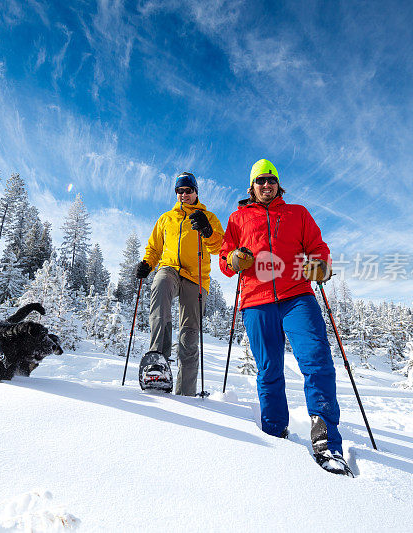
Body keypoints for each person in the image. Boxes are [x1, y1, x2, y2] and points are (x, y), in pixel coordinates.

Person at [218, 158, 352, 476]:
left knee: (317, 362)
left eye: (271, 180)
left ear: (278, 184)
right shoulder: (237, 219)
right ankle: (275, 432)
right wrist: (235, 258)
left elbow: (318, 248)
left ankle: (326, 442)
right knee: (269, 371)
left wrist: (321, 264)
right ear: (252, 186)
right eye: (260, 180)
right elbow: (225, 259)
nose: (267, 185)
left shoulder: (298, 214)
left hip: (298, 296)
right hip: (256, 301)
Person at [135, 172, 224, 396]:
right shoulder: (166, 218)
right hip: (170, 268)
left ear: (196, 192)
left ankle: (186, 393)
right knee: (160, 284)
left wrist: (207, 231)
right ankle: (157, 360)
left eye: (188, 190)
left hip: (196, 277)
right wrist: (147, 263)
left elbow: (219, 247)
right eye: (179, 191)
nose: (184, 195)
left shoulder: (209, 217)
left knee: (189, 335)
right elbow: (154, 248)